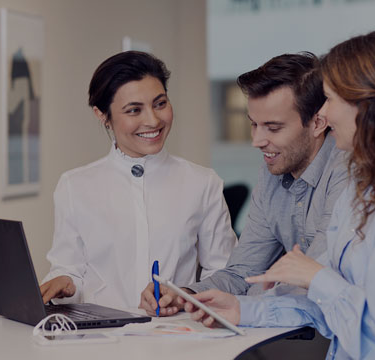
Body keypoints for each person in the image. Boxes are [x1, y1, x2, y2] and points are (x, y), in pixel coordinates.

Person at [184, 32, 375, 359]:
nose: (325, 113)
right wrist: (244, 309)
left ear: (367, 106)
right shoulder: (361, 193)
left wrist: (316, 277)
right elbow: (330, 305)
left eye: (330, 99)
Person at [139, 52, 349, 316]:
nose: (257, 141)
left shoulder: (347, 170)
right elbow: (243, 273)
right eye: (253, 125)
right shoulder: (271, 172)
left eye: (272, 128)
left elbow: (316, 283)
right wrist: (185, 295)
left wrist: (244, 307)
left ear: (318, 123)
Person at [40, 51, 237, 311]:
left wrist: (183, 296)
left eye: (160, 103)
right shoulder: (74, 186)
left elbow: (226, 273)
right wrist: (64, 282)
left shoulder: (202, 183)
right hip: (100, 340)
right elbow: (68, 269)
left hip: (176, 339)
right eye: (134, 110)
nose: (153, 120)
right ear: (102, 115)